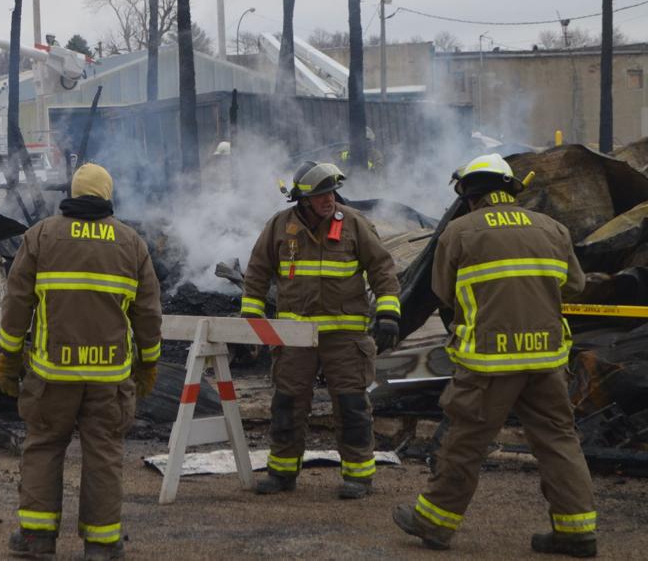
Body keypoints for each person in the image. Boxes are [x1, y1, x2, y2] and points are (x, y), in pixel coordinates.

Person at [393, 154, 595, 556]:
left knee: (464, 441)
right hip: (546, 358)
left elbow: (443, 293)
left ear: (470, 195)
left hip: (489, 361)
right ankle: (576, 531)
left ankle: (434, 522)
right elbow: (575, 285)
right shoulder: (552, 228)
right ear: (509, 189)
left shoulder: (461, 232)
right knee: (558, 440)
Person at [0, 163, 162, 560]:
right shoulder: (131, 243)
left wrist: (8, 357)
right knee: (103, 453)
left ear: (72, 193)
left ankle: (37, 541)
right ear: (107, 197)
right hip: (109, 376)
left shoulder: (41, 236)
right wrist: (149, 362)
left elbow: (16, 303)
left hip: (51, 373)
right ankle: (101, 545)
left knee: (43, 447)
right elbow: (148, 312)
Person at [242, 161, 401, 499]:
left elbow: (383, 269)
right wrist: (252, 326)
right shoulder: (279, 227)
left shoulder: (354, 223)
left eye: (330, 192)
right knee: (287, 403)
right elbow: (256, 273)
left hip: (345, 336)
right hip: (294, 336)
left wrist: (389, 313)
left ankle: (358, 476)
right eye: (320, 194)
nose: (328, 199)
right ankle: (282, 473)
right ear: (302, 199)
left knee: (352, 404)